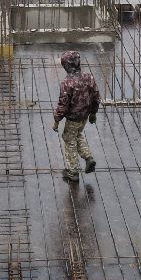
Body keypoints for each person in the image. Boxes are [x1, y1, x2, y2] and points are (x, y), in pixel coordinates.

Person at [51, 50, 100, 183]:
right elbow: (96, 96)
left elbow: (63, 104)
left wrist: (56, 121)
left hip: (73, 118)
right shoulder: (88, 77)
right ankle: (88, 157)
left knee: (69, 140)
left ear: (66, 65)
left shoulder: (67, 83)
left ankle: (72, 171)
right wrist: (93, 113)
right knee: (78, 135)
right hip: (84, 116)